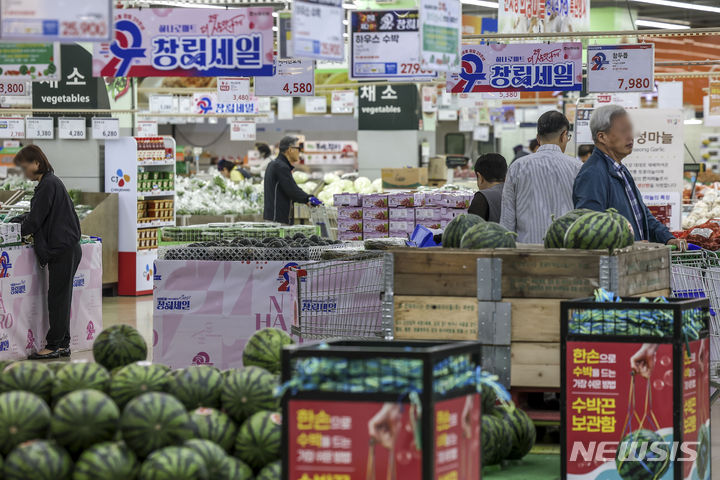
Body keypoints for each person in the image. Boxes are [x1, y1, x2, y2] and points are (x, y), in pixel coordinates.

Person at [573, 105, 684, 249]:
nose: (630, 136)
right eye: (623, 130)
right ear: (602, 137)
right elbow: (590, 228)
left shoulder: (620, 170)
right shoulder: (593, 174)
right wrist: (628, 244)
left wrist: (667, 238)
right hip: (613, 265)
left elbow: (643, 216)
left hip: (630, 261)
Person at [10, 146, 82, 360]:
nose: (24, 173)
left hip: (62, 249)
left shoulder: (48, 185)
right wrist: (18, 220)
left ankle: (53, 346)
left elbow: (35, 220)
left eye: (25, 168)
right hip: (66, 248)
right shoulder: (50, 183)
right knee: (62, 297)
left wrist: (13, 233)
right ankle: (63, 344)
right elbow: (38, 214)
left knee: (57, 299)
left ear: (36, 164)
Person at [500, 111, 582, 244]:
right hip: (567, 251)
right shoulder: (578, 168)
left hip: (526, 253)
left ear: (538, 138)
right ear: (564, 135)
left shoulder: (517, 167)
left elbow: (507, 217)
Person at [264, 136, 322, 224]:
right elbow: (292, 190)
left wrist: (305, 199)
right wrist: (308, 198)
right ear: (290, 150)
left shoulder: (275, 164)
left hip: (274, 217)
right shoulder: (281, 167)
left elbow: (286, 190)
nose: (300, 152)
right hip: (277, 220)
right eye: (298, 148)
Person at [468, 153, 507, 222]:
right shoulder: (516, 193)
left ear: (480, 177)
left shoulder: (482, 197)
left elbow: (471, 229)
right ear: (505, 176)